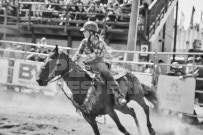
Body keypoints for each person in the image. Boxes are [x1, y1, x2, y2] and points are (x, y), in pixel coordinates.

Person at [72, 21, 127, 106]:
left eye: (85, 31)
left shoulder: (99, 43)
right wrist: (72, 61)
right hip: (88, 64)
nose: (83, 32)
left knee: (106, 73)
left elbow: (98, 58)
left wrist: (86, 62)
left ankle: (119, 96)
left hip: (99, 63)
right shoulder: (84, 41)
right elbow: (78, 54)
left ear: (91, 32)